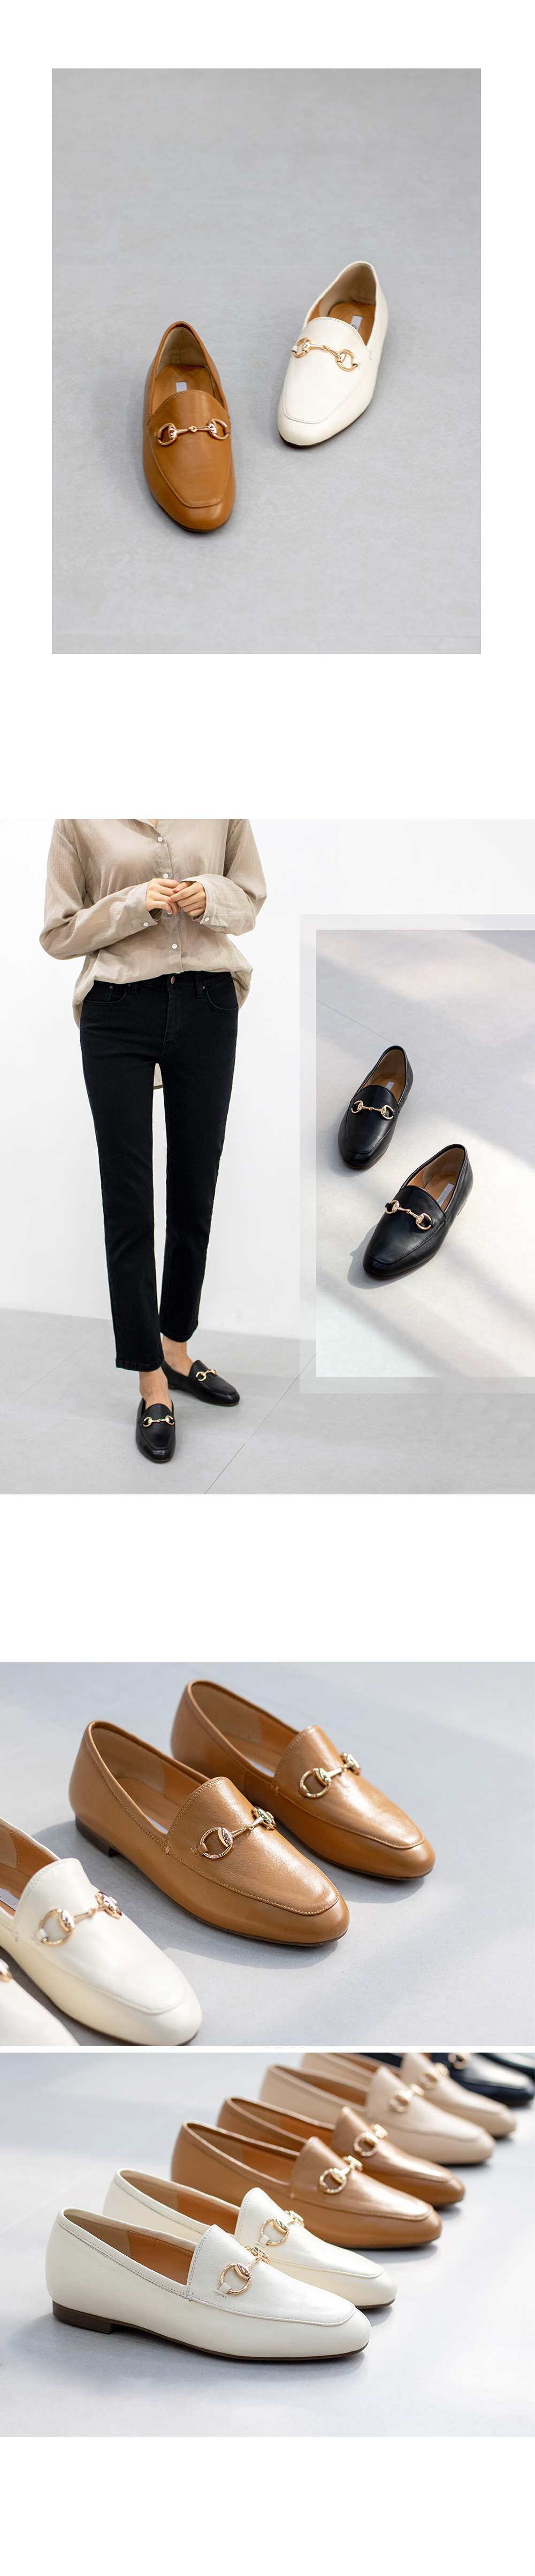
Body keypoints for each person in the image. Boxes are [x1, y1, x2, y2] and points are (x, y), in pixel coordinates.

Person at [41, 819, 266, 1462]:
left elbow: (250, 902)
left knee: (195, 1190)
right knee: (129, 1204)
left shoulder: (221, 807)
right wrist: (135, 903)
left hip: (207, 1002)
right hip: (117, 1010)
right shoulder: (79, 819)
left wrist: (209, 896)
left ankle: (177, 1350)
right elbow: (58, 933)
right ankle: (150, 1381)